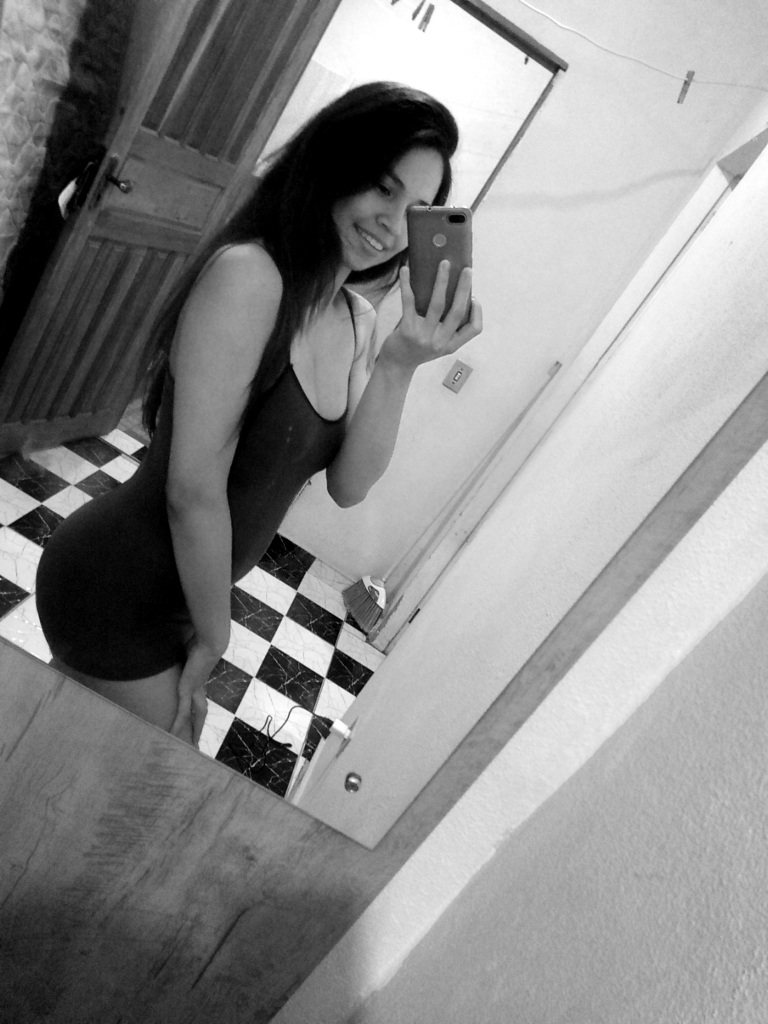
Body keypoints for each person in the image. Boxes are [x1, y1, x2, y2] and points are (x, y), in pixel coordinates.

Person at [35, 81, 483, 745]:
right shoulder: (251, 276)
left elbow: (350, 486)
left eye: (416, 210)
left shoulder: (356, 320)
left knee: (49, 746)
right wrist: (216, 637)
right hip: (118, 584)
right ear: (334, 165)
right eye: (382, 187)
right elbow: (193, 491)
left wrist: (399, 364)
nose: (392, 223)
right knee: (145, 768)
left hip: (187, 597)